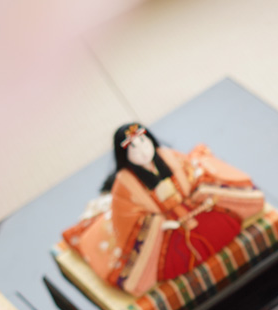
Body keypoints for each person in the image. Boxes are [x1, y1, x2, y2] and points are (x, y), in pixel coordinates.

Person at [63, 123, 265, 297]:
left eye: (143, 142)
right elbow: (127, 216)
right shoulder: (124, 184)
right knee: (164, 265)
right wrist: (159, 223)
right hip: (163, 231)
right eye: (133, 147)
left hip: (192, 211)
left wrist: (195, 194)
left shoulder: (168, 156)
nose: (142, 150)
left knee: (224, 224)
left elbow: (192, 173)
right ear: (124, 155)